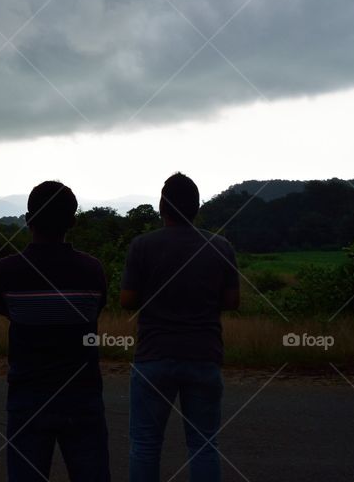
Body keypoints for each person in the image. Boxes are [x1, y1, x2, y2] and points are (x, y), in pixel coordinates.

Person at [0, 181, 111, 482]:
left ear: (28, 220)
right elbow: (95, 310)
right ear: (73, 222)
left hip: (28, 394)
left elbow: (3, 308)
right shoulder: (92, 270)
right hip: (82, 393)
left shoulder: (6, 271)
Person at [120, 173, 240, 482]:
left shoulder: (142, 245)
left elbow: (127, 300)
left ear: (162, 207)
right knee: (204, 446)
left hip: (154, 355)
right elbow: (231, 301)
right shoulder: (221, 246)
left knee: (145, 444)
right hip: (204, 355)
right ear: (197, 208)